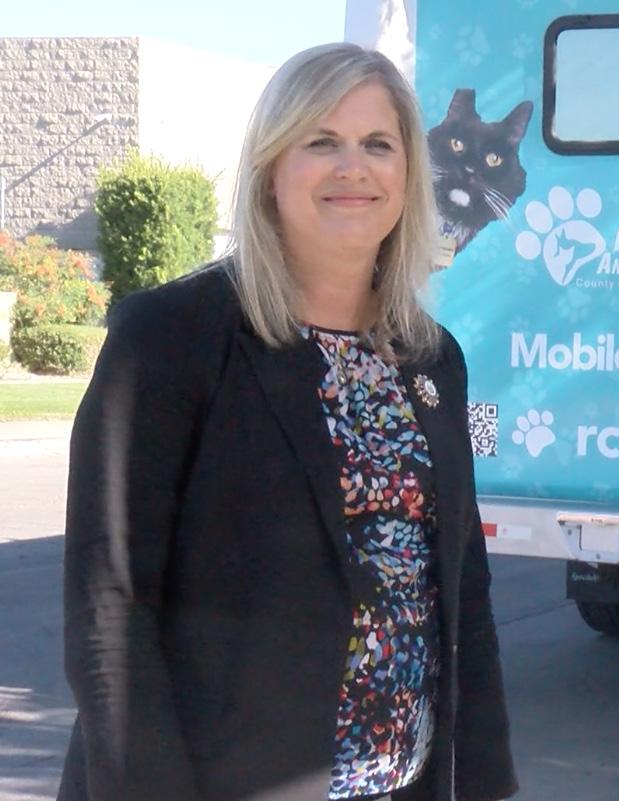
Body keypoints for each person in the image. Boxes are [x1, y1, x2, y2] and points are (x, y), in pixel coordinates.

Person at [57, 43, 517, 801]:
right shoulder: (171, 337)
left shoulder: (432, 359)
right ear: (272, 167)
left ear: (410, 174)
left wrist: (486, 783)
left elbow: (463, 588)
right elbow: (109, 605)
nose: (353, 167)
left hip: (401, 784)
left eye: (378, 144)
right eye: (321, 142)